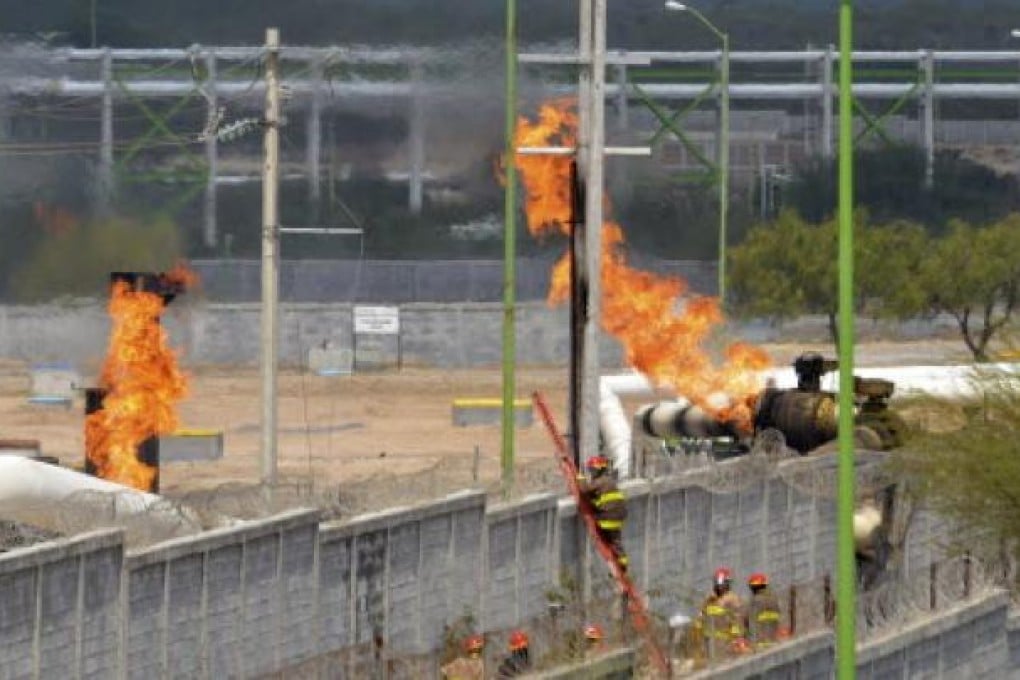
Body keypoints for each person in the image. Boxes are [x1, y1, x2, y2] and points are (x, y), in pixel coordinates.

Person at [577, 455, 629, 572]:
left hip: (608, 516)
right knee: (616, 541)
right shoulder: (609, 481)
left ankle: (620, 564)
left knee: (603, 530)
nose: (591, 472)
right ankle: (622, 563)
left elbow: (584, 490)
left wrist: (580, 478)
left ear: (599, 470)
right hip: (619, 515)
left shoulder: (600, 481)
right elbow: (598, 497)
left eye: (592, 470)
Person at [694, 567, 747, 660]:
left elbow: (738, 621)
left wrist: (737, 640)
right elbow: (700, 620)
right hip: (709, 645)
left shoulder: (733, 600)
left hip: (726, 646)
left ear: (727, 584)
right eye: (718, 583)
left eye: (722, 584)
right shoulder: (709, 600)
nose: (720, 586)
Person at [746, 572, 783, 649]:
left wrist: (751, 644)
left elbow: (751, 624)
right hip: (775, 642)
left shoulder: (755, 601)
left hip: (760, 644)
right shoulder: (774, 599)